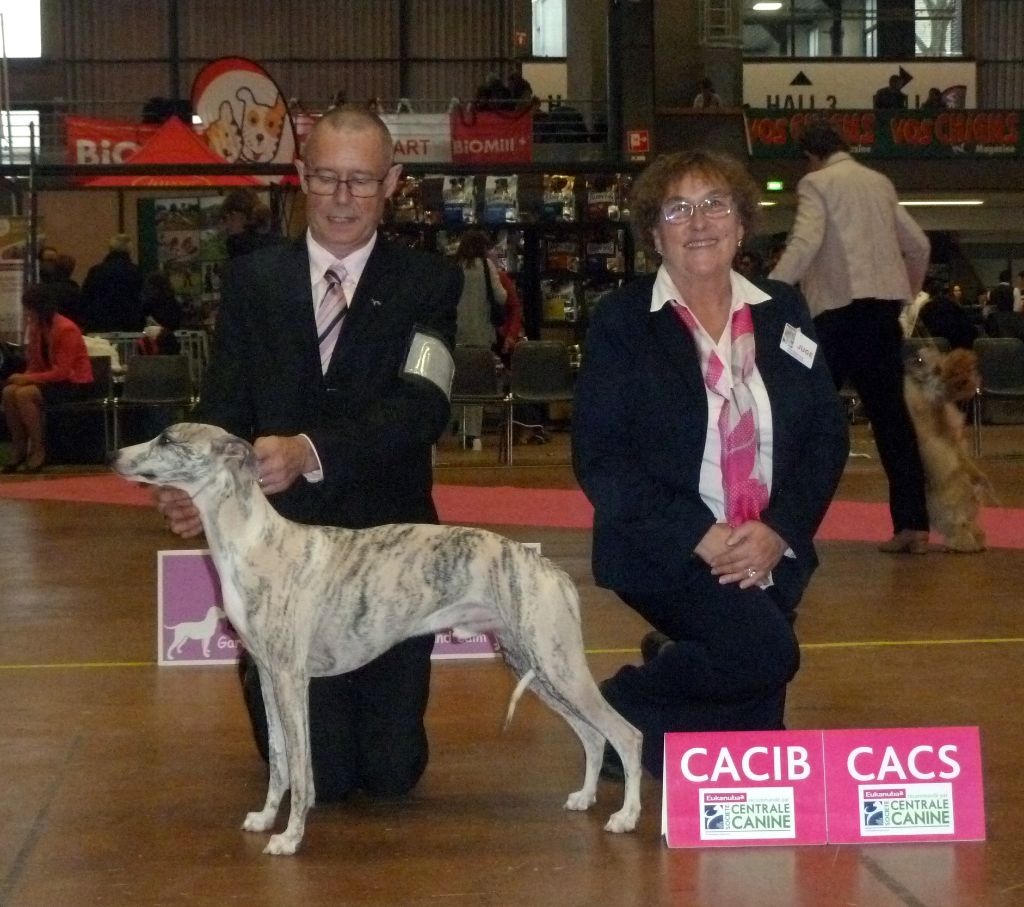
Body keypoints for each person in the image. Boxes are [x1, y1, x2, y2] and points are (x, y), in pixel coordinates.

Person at [153, 104, 462, 802]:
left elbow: (423, 406)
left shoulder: (430, 284)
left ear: (393, 182)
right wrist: (194, 486)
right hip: (281, 561)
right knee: (315, 773)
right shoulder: (253, 282)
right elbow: (224, 409)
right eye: (326, 178)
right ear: (301, 178)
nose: (344, 197)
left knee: (389, 775)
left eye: (361, 180)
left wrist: (309, 449)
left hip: (389, 554)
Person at [573, 150, 849, 778]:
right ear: (654, 234)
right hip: (667, 546)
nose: (699, 221)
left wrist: (778, 531)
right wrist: (701, 535)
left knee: (757, 741)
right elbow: (601, 459)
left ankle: (639, 712)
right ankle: (613, 704)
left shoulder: (784, 310)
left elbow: (827, 438)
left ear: (742, 224)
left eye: (715, 204)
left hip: (769, 548)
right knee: (767, 656)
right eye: (678, 209)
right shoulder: (623, 320)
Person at [769, 120, 930, 554]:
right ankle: (912, 525)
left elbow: (804, 244)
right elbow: (918, 246)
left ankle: (783, 525)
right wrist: (905, 295)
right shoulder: (878, 182)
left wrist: (767, 294)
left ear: (809, 155)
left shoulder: (816, 183)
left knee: (810, 418)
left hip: (836, 316)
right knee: (893, 422)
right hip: (881, 316)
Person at [2, 283, 94, 473]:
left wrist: (27, 379)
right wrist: (22, 377)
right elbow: (34, 365)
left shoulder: (66, 329)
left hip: (74, 383)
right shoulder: (37, 328)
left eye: (30, 310)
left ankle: (38, 448)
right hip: (53, 382)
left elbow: (62, 371)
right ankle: (19, 447)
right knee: (9, 391)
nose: (27, 314)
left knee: (24, 394)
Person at [453, 229, 507, 450]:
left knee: (455, 383)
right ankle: (471, 434)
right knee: (475, 386)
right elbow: (501, 296)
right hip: (479, 333)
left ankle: (454, 424)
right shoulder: (486, 267)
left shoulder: (454, 267)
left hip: (455, 334)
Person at [79, 233, 145, 332]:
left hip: (99, 324)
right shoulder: (135, 272)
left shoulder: (96, 271)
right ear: (129, 250)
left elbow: (86, 296)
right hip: (129, 324)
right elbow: (140, 298)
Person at [220, 189, 281, 259]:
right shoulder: (274, 242)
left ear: (236, 215)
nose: (225, 226)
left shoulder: (238, 247)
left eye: (225, 218)